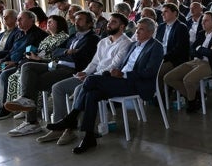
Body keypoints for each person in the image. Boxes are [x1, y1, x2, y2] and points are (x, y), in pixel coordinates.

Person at [46, 19, 165, 154]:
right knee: (92, 94)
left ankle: (71, 118)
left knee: (91, 80)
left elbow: (149, 72)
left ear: (150, 32)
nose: (136, 32)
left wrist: (123, 75)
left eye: (141, 29)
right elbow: (122, 65)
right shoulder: (133, 45)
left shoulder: (156, 47)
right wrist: (114, 73)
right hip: (120, 80)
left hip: (135, 84)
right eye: (137, 28)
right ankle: (89, 136)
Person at [44, 13, 133, 145]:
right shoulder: (103, 41)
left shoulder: (126, 43)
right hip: (91, 75)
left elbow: (114, 66)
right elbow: (94, 62)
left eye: (113, 22)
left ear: (122, 26)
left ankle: (70, 129)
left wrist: (90, 76)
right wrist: (84, 72)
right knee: (58, 87)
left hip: (104, 78)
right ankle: (59, 126)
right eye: (109, 21)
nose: (108, 24)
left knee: (81, 89)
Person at [164, 12, 212, 113]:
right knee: (169, 78)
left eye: (206, 20)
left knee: (188, 80)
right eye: (202, 20)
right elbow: (192, 50)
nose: (203, 23)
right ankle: (195, 95)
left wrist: (200, 49)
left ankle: (192, 102)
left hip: (211, 64)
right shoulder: (201, 33)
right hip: (196, 61)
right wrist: (202, 50)